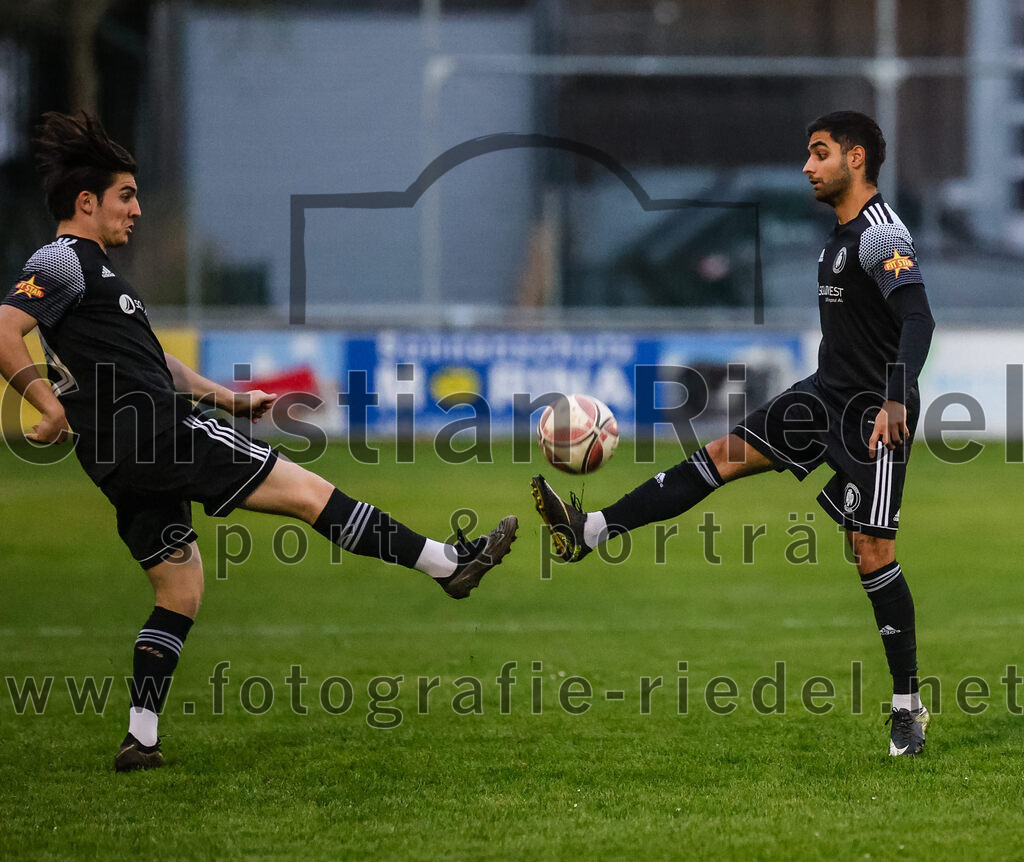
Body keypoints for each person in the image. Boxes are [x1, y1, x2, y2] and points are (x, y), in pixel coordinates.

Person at [0, 112, 518, 772]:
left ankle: (141, 734)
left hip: (118, 461)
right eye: (125, 196)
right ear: (86, 202)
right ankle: (448, 566)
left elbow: (153, 362)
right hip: (161, 435)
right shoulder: (63, 260)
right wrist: (44, 407)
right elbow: (4, 329)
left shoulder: (99, 279)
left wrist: (226, 397)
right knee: (309, 493)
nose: (136, 209)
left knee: (180, 588)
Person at [532, 111, 935, 757]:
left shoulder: (878, 235)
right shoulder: (836, 236)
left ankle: (907, 707)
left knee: (871, 553)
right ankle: (590, 531)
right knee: (718, 457)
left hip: (871, 418)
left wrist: (893, 399)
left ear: (855, 159)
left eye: (819, 153)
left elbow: (917, 319)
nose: (807, 166)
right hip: (821, 397)